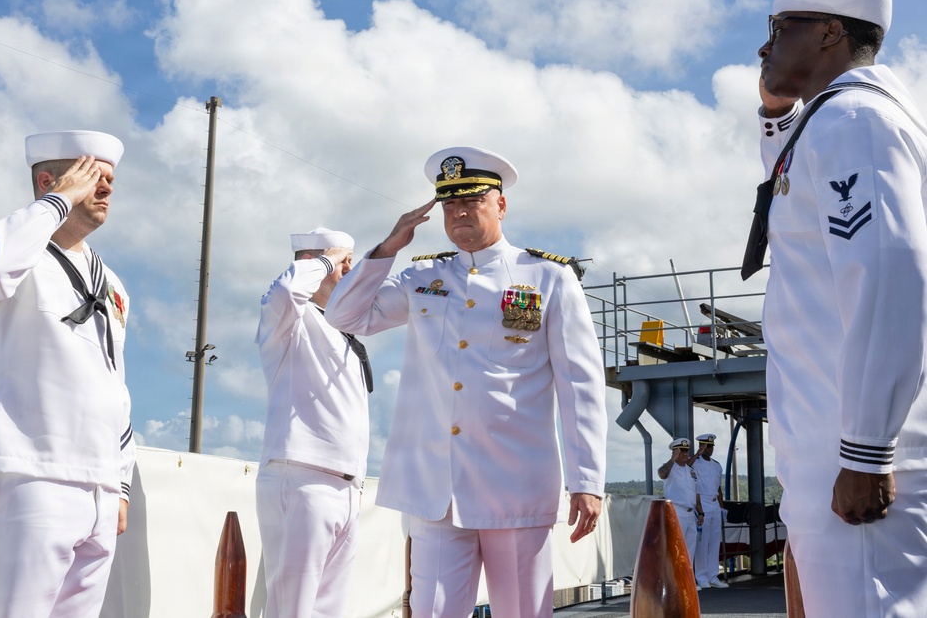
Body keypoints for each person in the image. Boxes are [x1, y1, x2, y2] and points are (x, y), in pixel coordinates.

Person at [324, 146, 607, 618]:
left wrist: (587, 480)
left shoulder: (548, 277)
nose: (458, 212)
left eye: (471, 200)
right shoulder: (422, 277)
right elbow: (344, 315)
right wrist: (389, 248)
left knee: (522, 611)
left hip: (515, 486)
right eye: (449, 204)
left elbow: (580, 385)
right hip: (436, 489)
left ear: (500, 204)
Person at [745, 0, 927, 616]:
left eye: (777, 31)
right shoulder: (834, 122)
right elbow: (792, 187)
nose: (763, 49)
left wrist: (866, 451)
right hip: (834, 443)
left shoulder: (857, 121)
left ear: (829, 32)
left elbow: (888, 276)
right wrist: (775, 114)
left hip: (859, 453)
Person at [0, 130, 134, 618]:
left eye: (111, 180)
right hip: (22, 474)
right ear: (51, 181)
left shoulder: (112, 282)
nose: (107, 188)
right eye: (94, 176)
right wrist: (58, 202)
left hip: (95, 485)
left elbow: (114, 385)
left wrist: (118, 484)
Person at [254, 227, 371, 617]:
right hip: (303, 479)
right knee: (294, 610)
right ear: (310, 264)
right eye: (343, 264)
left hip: (347, 486)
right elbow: (286, 291)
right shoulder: (291, 319)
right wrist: (325, 261)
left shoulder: (342, 328)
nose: (348, 273)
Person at [658, 437, 704, 586]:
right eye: (682, 451)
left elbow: (695, 495)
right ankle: (674, 582)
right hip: (676, 511)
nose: (685, 454)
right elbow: (661, 474)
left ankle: (686, 582)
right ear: (675, 452)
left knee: (689, 550)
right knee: (676, 548)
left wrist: (701, 512)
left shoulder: (691, 471)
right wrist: (672, 459)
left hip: (691, 514)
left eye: (686, 451)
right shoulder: (670, 469)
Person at [688, 433, 727, 589]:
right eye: (706, 446)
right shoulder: (694, 463)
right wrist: (697, 453)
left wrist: (722, 507)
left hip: (714, 504)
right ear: (701, 447)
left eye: (710, 447)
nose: (708, 449)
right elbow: (685, 466)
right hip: (702, 503)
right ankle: (702, 577)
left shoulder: (716, 465)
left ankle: (713, 576)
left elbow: (718, 488)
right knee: (702, 542)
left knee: (714, 541)